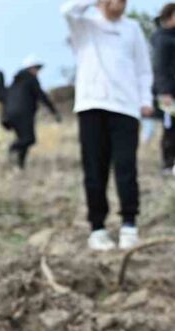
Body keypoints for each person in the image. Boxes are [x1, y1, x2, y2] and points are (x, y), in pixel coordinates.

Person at [63, 0, 154, 251]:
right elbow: (67, 9)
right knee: (95, 169)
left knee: (126, 167)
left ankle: (129, 225)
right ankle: (97, 228)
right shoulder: (85, 25)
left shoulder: (133, 28)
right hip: (92, 106)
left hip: (126, 108)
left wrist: (145, 100)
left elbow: (143, 69)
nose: (120, 4)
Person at [3, 55, 61, 169]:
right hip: (23, 114)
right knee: (29, 139)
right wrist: (54, 111)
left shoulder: (15, 81)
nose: (37, 71)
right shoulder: (31, 79)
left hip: (10, 114)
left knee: (23, 138)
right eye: (36, 68)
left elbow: (6, 96)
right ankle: (12, 149)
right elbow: (41, 95)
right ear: (30, 68)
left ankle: (20, 165)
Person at [152, 4, 175, 174]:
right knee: (170, 127)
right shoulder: (162, 38)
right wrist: (164, 91)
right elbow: (160, 67)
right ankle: (168, 164)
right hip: (167, 93)